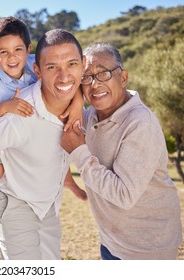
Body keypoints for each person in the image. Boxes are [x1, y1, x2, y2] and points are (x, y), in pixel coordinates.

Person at [61, 43, 183, 260]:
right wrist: (77, 99)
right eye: (86, 78)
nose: (94, 84)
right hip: (111, 242)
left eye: (103, 74)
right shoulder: (89, 117)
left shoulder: (140, 123)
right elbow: (44, 67)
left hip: (146, 251)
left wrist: (79, 152)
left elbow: (124, 195)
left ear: (123, 77)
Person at [0, 29, 86, 259]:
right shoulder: (21, 113)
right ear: (38, 70)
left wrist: (79, 99)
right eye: (52, 67)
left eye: (72, 64)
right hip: (14, 198)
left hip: (47, 202)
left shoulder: (79, 107)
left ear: (83, 64)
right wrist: (3, 109)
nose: (64, 76)